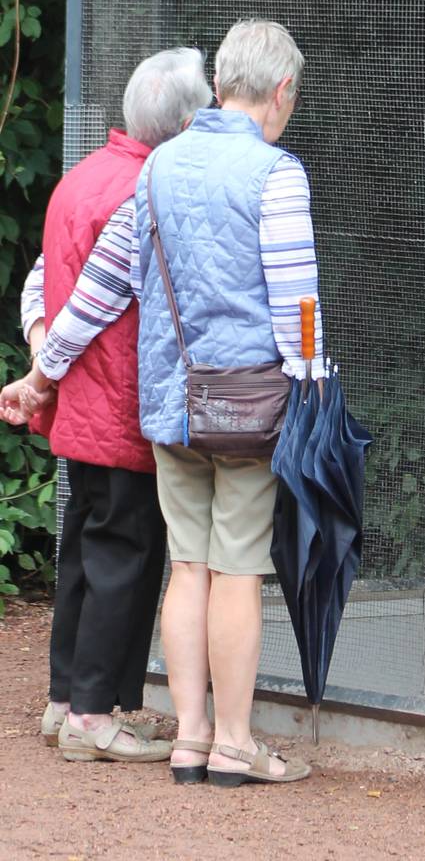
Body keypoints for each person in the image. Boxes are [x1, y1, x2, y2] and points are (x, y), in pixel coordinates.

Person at [47, 20, 322, 785]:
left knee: (188, 565)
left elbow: (106, 281)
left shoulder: (158, 165)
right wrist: (313, 388)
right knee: (238, 570)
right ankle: (236, 742)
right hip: (250, 407)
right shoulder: (277, 172)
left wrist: (48, 365)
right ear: (281, 90)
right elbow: (299, 306)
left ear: (222, 81)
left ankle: (190, 736)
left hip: (170, 405)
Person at [1, 48, 212, 763]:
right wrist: (44, 373)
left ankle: (66, 700)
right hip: (119, 406)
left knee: (82, 555)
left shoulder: (83, 177)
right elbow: (94, 297)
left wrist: (40, 365)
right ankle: (94, 714)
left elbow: (40, 283)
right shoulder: (143, 187)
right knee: (125, 555)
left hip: (76, 415)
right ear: (185, 122)